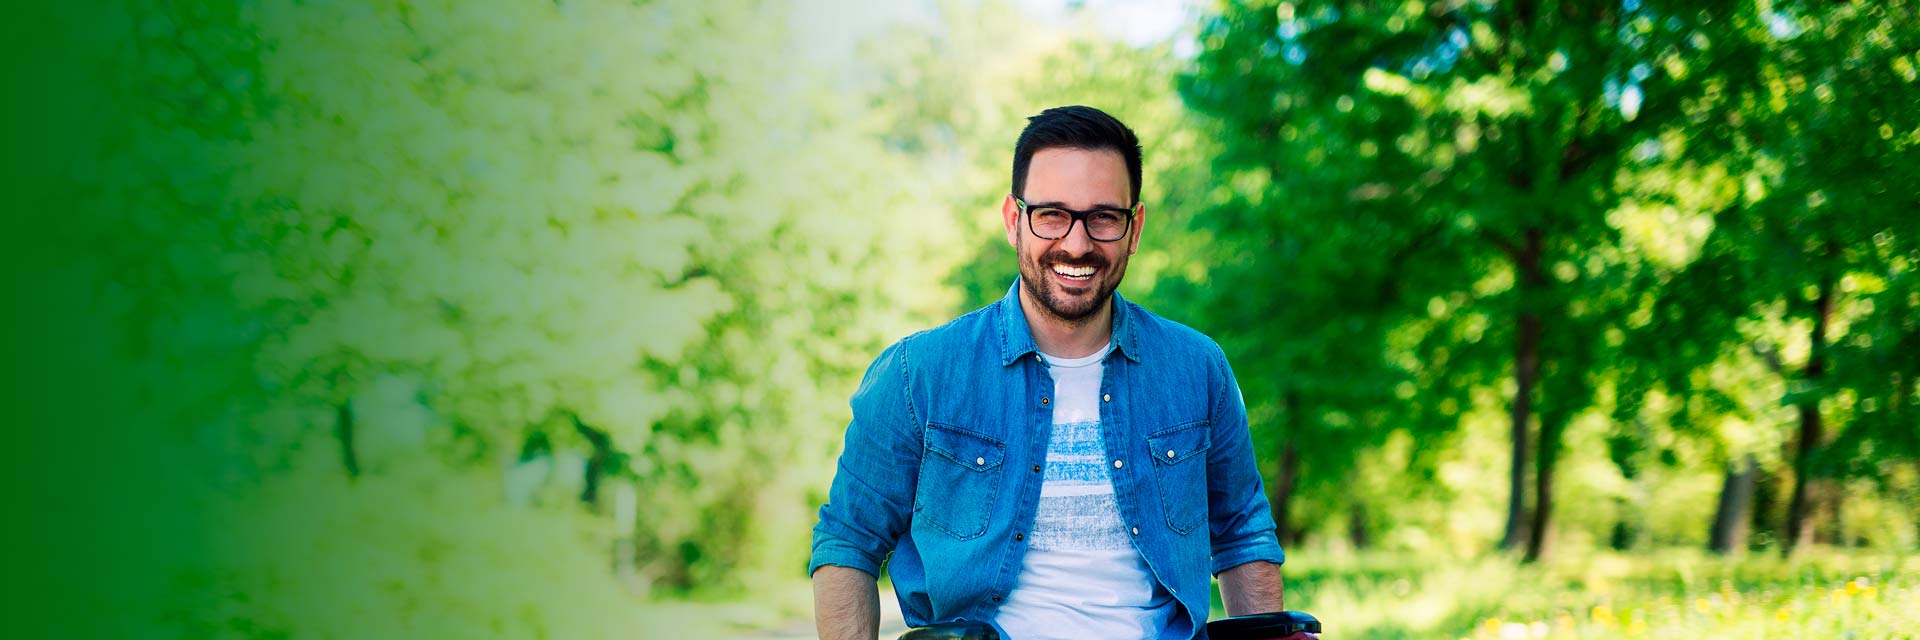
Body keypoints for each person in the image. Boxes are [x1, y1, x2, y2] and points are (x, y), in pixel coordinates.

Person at [811, 106, 1293, 640]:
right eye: (1052, 215)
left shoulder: (1197, 368)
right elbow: (849, 540)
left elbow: (1240, 532)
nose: (1078, 243)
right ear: (1014, 220)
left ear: (1134, 228)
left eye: (1103, 218)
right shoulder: (917, 373)